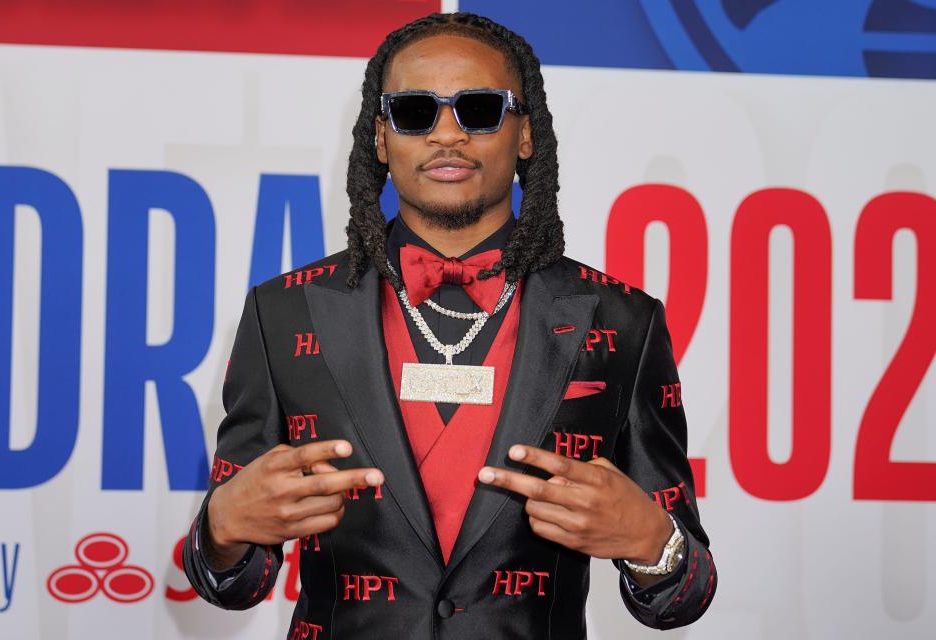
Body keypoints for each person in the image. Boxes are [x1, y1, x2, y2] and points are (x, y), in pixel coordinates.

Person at [182, 11, 716, 638]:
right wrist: (221, 528)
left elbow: (684, 595)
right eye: (414, 111)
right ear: (381, 137)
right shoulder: (283, 313)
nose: (447, 135)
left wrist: (654, 542)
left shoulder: (622, 320)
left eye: (480, 109)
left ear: (524, 134)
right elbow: (230, 583)